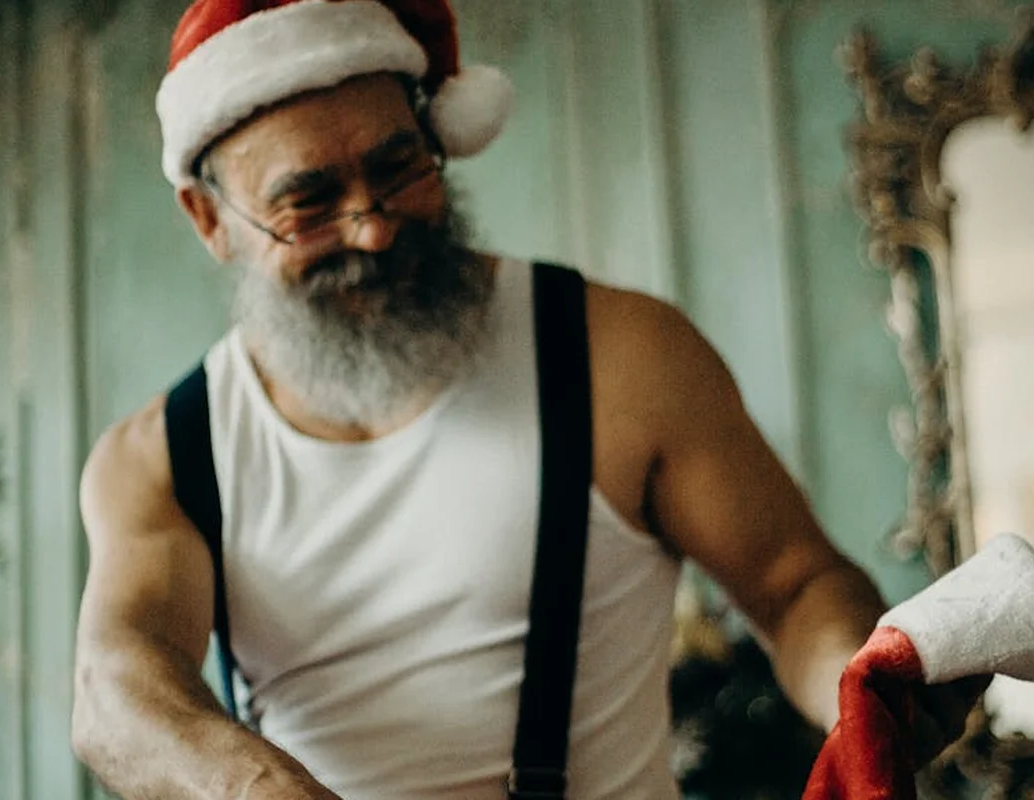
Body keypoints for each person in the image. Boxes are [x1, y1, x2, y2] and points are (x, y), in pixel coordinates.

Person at [70, 1, 983, 798]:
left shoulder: (620, 355)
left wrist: (858, 688)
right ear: (208, 220)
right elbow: (118, 687)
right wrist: (262, 790)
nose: (373, 225)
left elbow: (794, 589)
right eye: (308, 202)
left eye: (399, 168)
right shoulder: (160, 457)